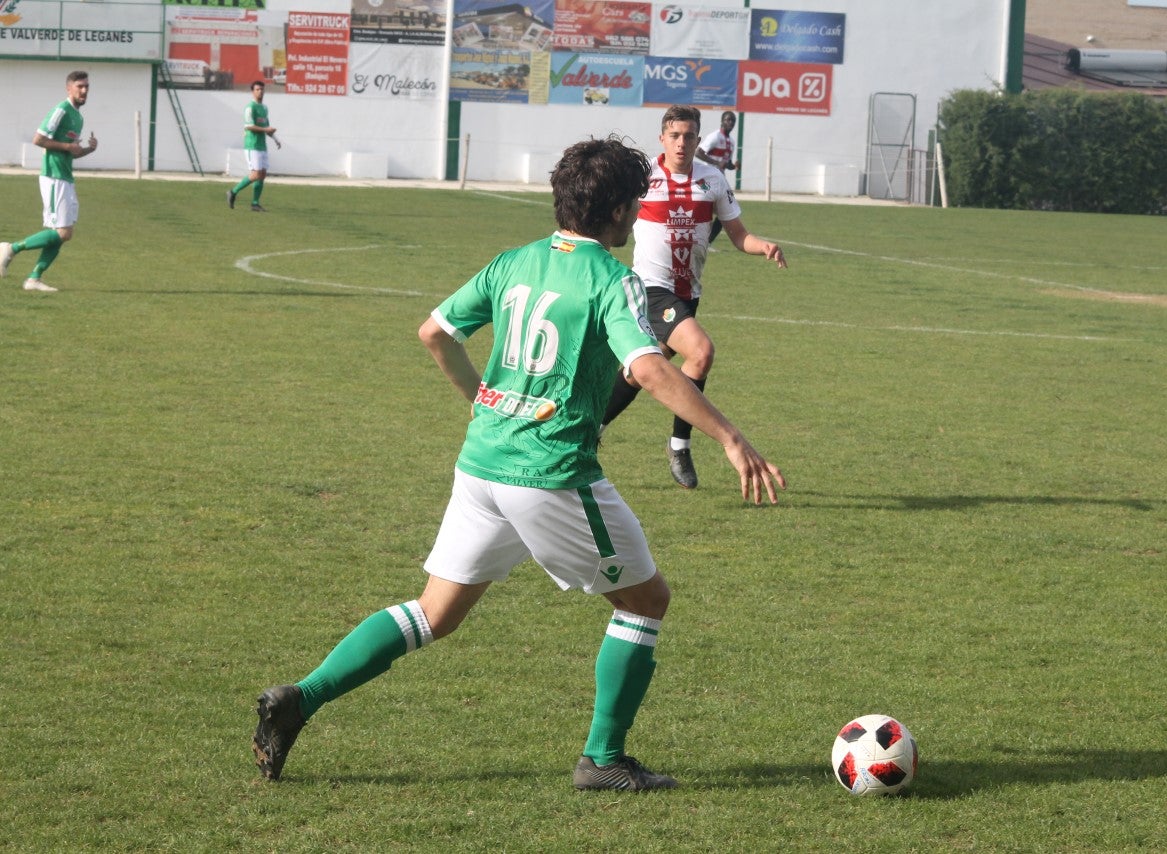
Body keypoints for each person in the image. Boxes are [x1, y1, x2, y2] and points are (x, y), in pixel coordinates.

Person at [251, 136, 785, 791]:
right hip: (550, 473)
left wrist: (484, 399)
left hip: (481, 464)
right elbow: (648, 369)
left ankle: (301, 698)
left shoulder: (514, 262)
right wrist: (729, 436)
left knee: (435, 613)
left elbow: (434, 334)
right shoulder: (611, 281)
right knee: (646, 600)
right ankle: (604, 760)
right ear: (618, 210)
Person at [599, 105, 787, 490]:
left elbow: (738, 235)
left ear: (699, 139)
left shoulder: (712, 179)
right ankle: (679, 446)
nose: (681, 142)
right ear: (662, 138)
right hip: (650, 288)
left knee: (637, 372)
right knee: (700, 352)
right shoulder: (643, 177)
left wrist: (762, 245)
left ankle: (589, 429)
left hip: (688, 294)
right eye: (674, 135)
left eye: (688, 136)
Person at [0, 71, 98, 293]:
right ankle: (10, 248)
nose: (84, 90)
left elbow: (71, 153)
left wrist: (88, 149)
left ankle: (34, 279)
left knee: (66, 234)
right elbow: (38, 139)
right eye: (79, 86)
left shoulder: (78, 117)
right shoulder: (61, 110)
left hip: (66, 177)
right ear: (69, 88)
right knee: (62, 232)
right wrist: (66, 147)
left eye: (87, 87)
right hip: (53, 177)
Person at [226, 80, 281, 212]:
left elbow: (266, 127)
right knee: (256, 174)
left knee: (262, 174)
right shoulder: (250, 107)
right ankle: (233, 192)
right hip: (252, 145)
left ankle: (255, 203)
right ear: (253, 91)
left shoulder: (264, 108)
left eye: (262, 89)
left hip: (262, 145)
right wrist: (266, 130)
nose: (260, 92)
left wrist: (275, 138)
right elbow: (248, 126)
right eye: (257, 89)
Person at [695, 110, 741, 244]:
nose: (730, 123)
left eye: (733, 121)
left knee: (724, 211)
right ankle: (698, 238)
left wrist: (734, 166)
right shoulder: (715, 136)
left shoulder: (731, 142)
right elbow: (698, 152)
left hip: (720, 179)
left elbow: (726, 164)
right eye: (728, 119)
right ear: (722, 121)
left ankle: (708, 241)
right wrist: (716, 163)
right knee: (707, 209)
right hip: (707, 177)